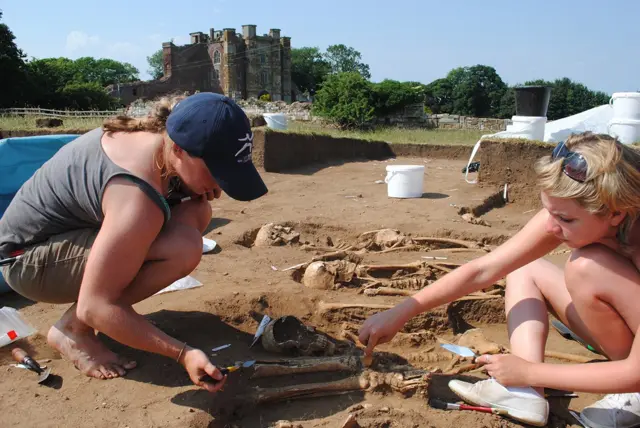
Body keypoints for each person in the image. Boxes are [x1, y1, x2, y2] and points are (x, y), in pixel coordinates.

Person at [358, 132, 640, 427]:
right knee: (524, 268)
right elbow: (485, 269)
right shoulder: (569, 214)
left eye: (566, 220)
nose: (551, 227)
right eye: (549, 211)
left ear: (616, 214)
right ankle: (523, 394)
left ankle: (631, 392)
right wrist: (401, 311)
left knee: (587, 266)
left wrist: (530, 371)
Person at [0, 92, 268, 393]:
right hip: (26, 260)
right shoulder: (137, 194)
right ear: (179, 150)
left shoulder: (159, 140)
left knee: (196, 209)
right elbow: (97, 306)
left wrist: (191, 188)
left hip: (65, 237)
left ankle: (74, 323)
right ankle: (73, 330)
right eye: (216, 172)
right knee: (182, 249)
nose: (220, 184)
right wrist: (182, 353)